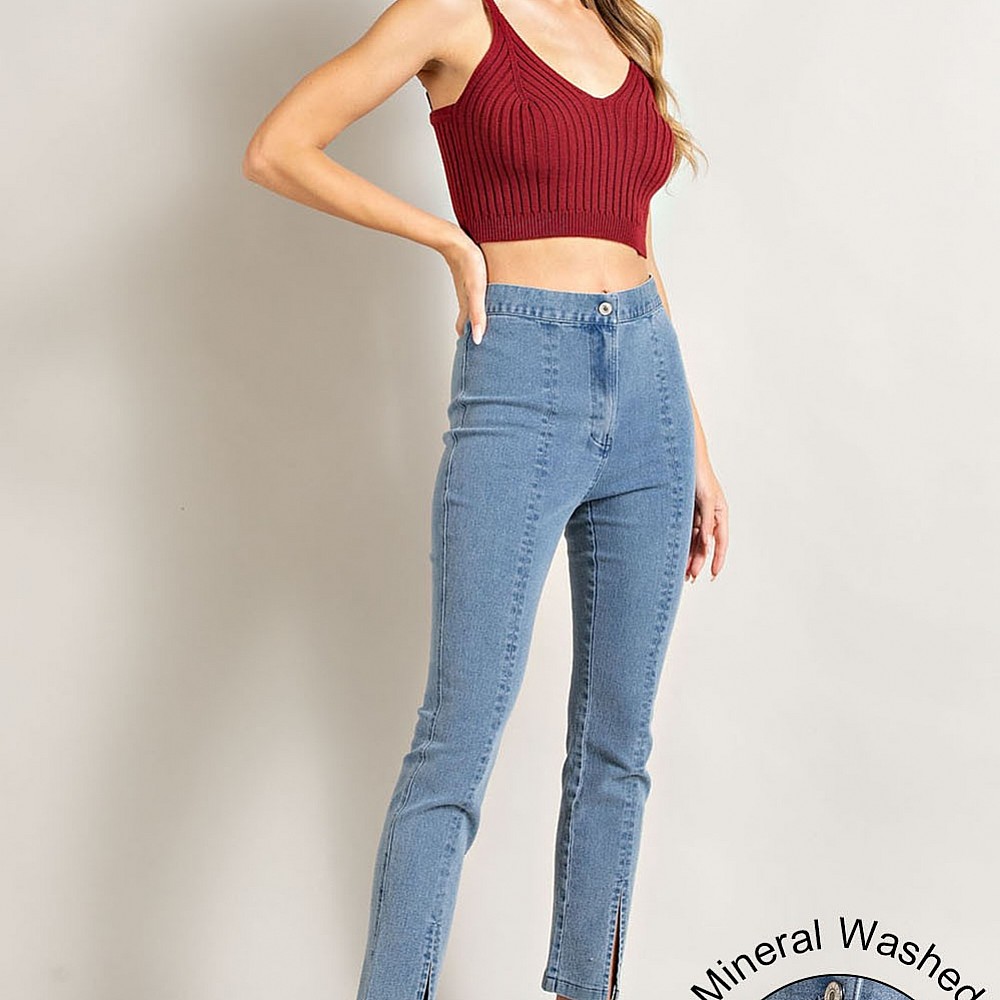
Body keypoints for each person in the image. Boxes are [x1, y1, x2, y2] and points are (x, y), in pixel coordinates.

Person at [242, 0, 729, 998]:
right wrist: (448, 241)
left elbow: (635, 242)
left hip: (649, 384)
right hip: (519, 375)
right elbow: (277, 147)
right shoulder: (451, 14)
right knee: (456, 742)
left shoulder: (620, 29)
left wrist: (697, 448)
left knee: (619, 746)